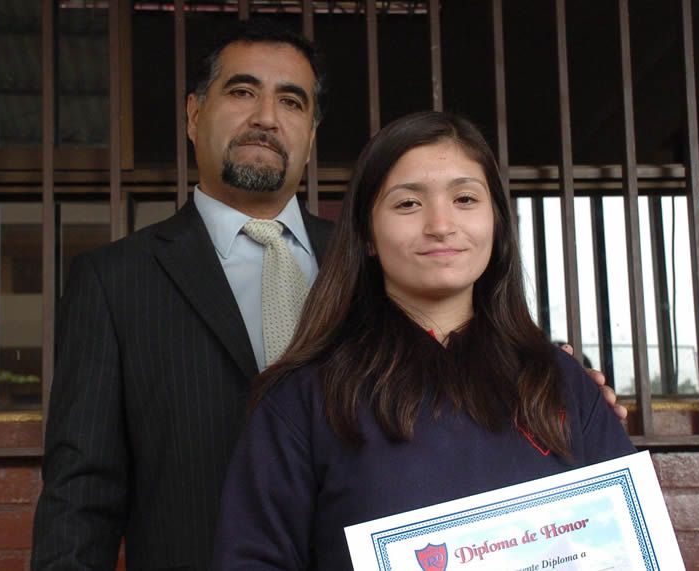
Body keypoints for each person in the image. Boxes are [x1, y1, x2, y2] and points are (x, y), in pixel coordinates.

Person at [32, 21, 623, 571]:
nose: (266, 117)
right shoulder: (116, 281)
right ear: (194, 114)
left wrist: (558, 389)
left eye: (291, 102)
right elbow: (81, 492)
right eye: (242, 92)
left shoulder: (379, 260)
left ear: (312, 135)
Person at [211, 111, 637, 570]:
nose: (440, 224)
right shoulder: (304, 399)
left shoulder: (560, 380)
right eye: (408, 204)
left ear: (496, 221)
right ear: (367, 235)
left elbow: (628, 544)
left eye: (465, 199)